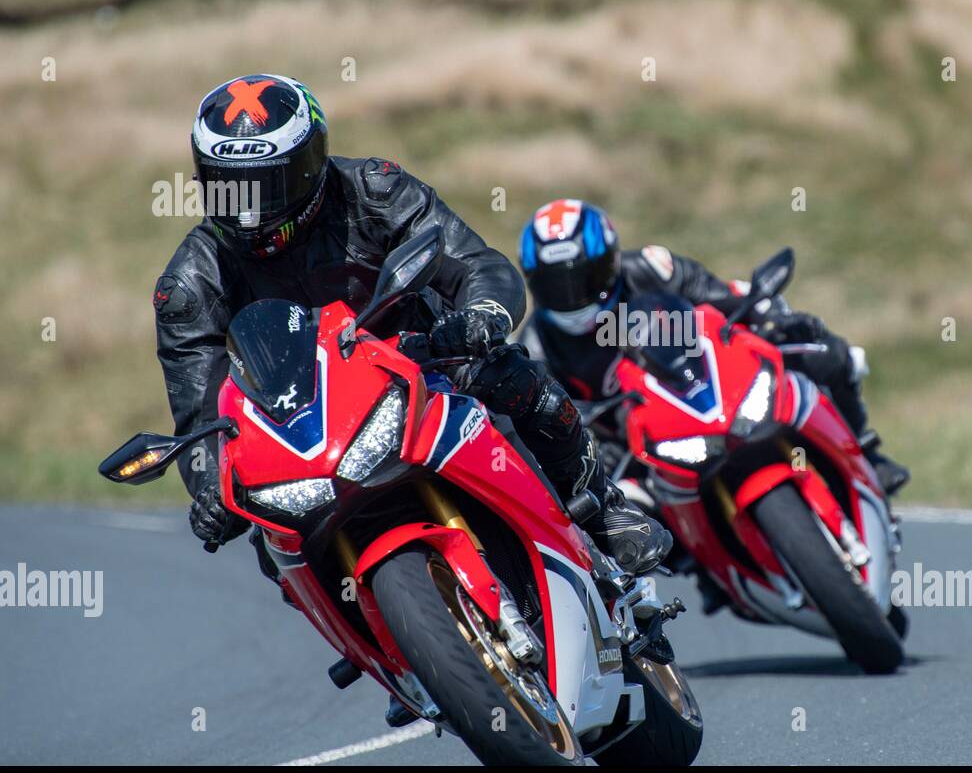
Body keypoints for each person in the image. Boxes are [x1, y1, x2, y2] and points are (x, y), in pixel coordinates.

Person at [155, 75, 671, 608]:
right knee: (273, 540)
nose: (249, 209)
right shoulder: (191, 283)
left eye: (268, 185)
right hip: (300, 426)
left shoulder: (375, 191)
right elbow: (199, 414)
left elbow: (476, 263)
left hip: (420, 362)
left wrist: (482, 316)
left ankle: (601, 511)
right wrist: (210, 487)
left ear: (310, 164)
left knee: (510, 376)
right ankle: (396, 662)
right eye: (231, 185)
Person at [516, 198, 910, 494]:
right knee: (612, 502)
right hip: (641, 440)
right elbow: (544, 422)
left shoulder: (652, 268)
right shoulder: (536, 345)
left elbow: (718, 292)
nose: (573, 297)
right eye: (556, 286)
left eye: (585, 278)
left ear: (612, 262)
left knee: (825, 352)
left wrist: (767, 312)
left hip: (711, 382)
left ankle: (865, 451)